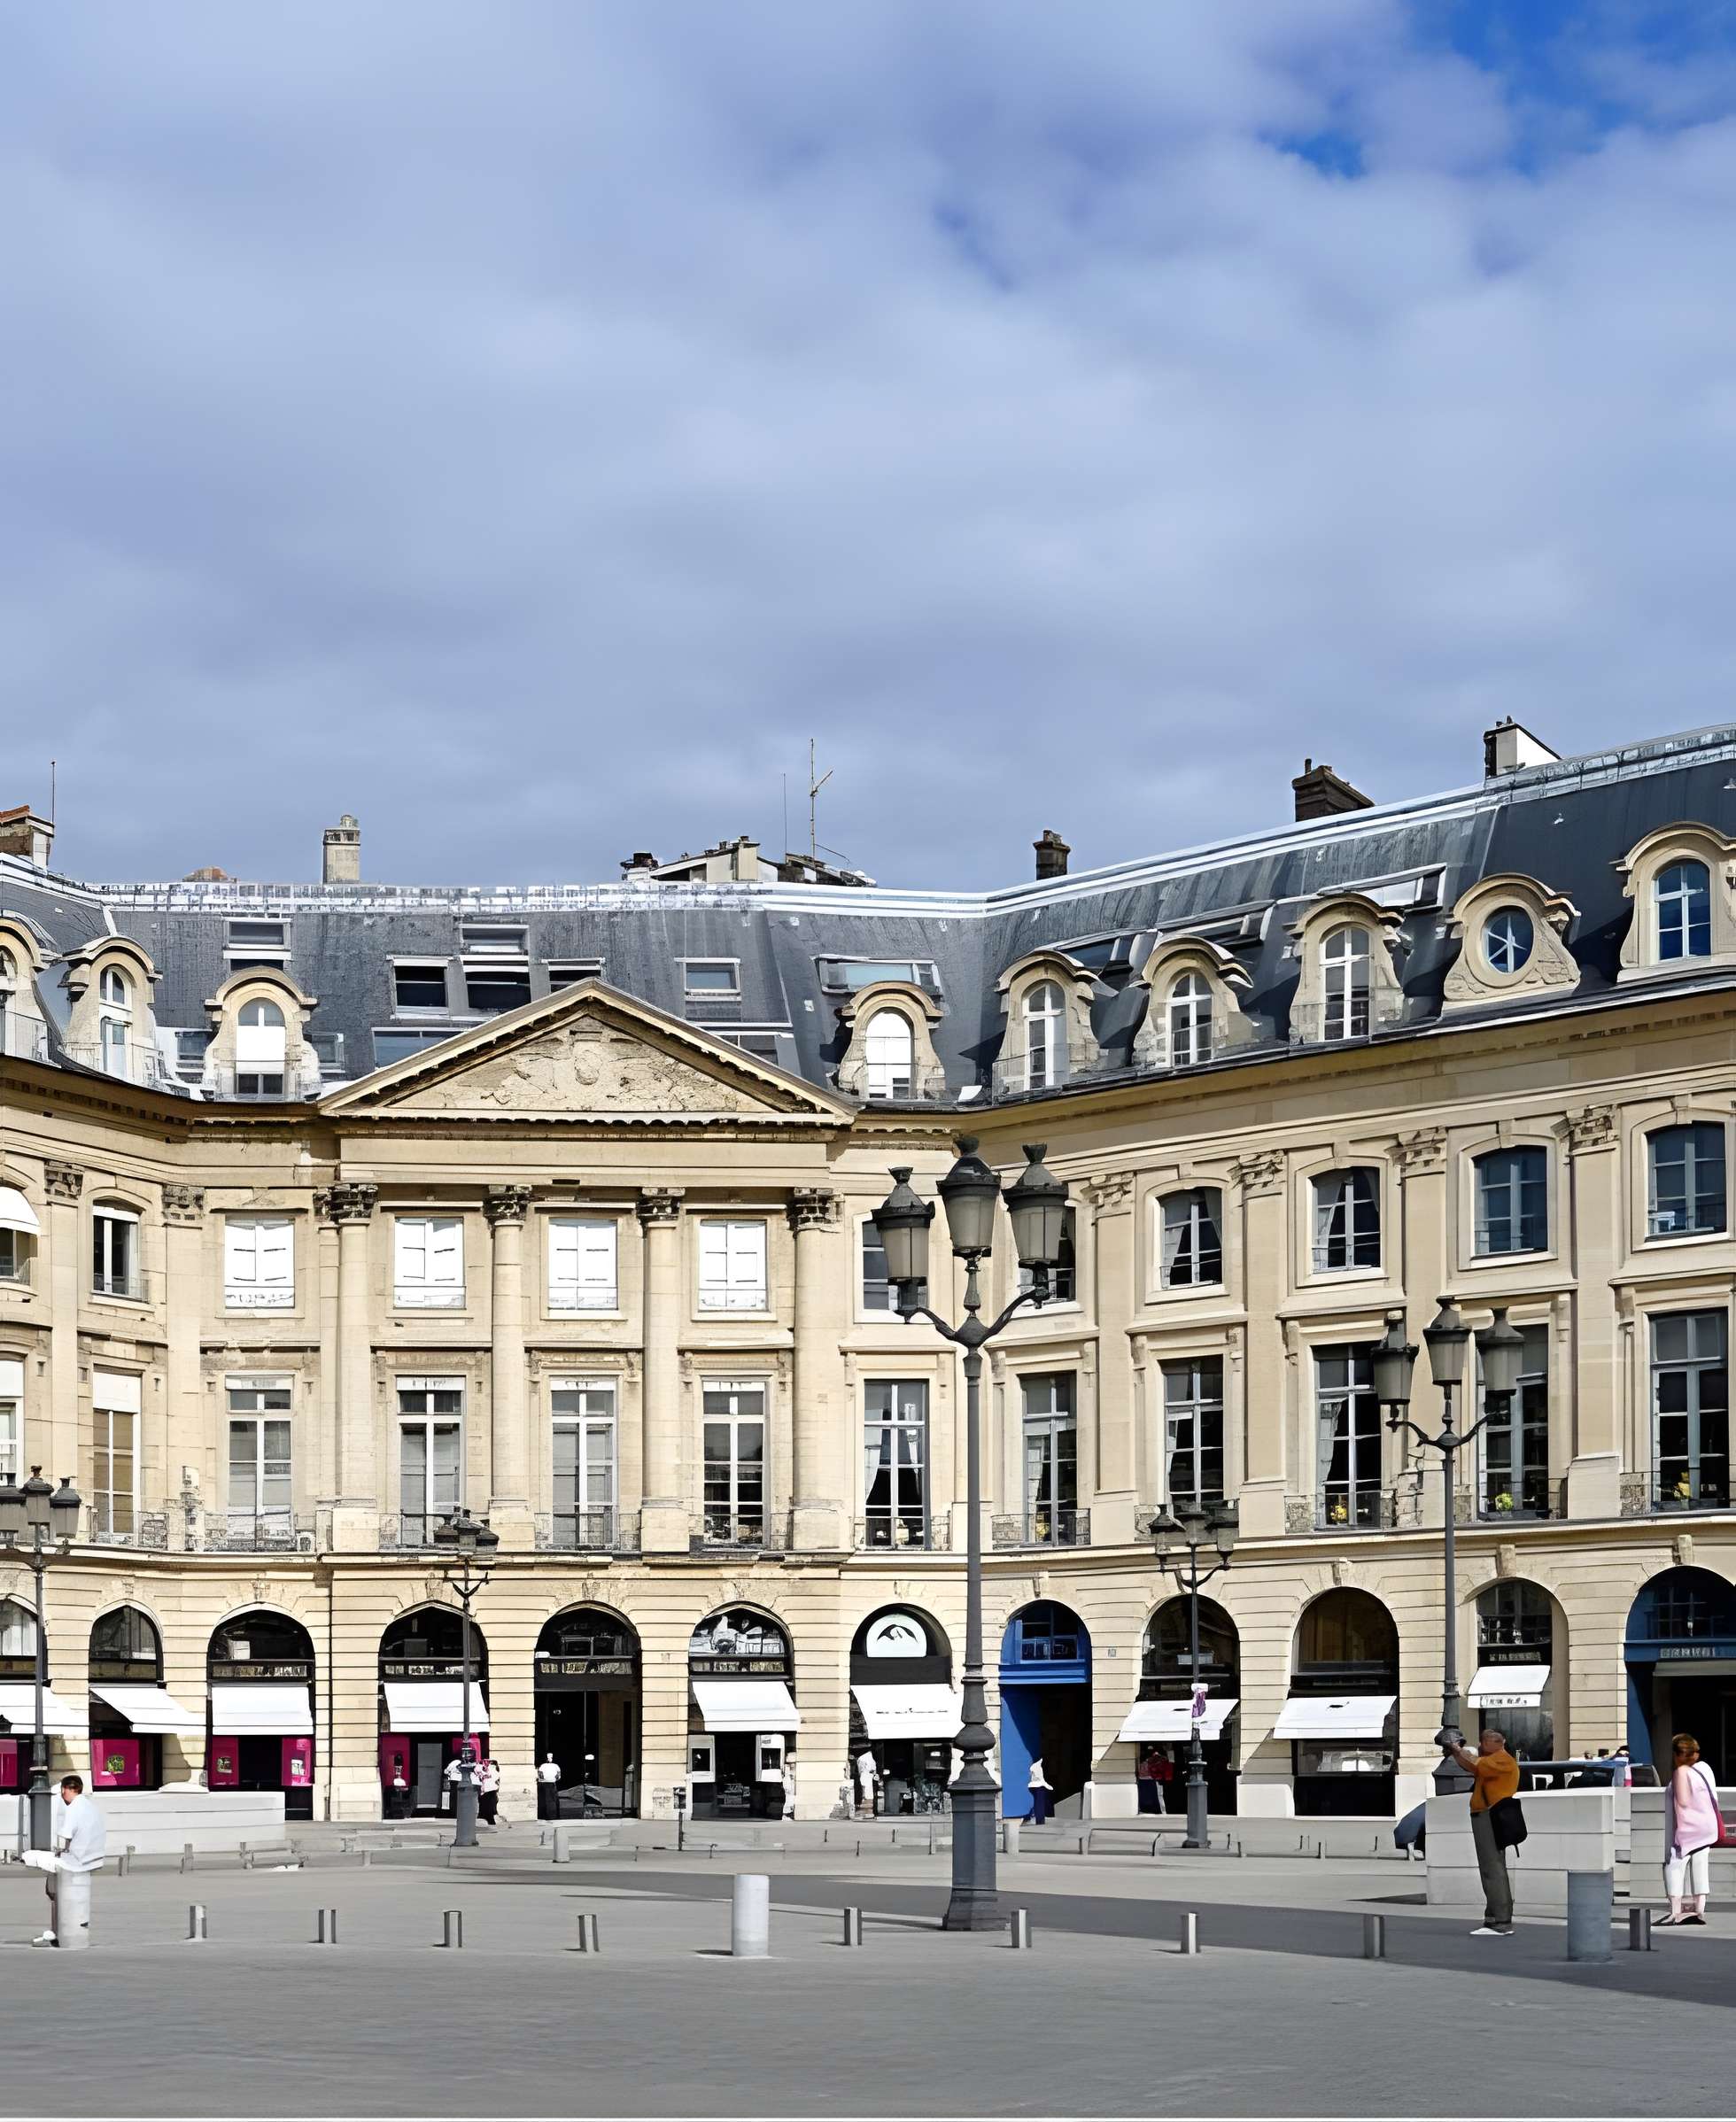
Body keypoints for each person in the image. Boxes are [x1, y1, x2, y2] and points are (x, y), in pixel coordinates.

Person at [1446, 1727, 1521, 1937]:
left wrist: (1455, 1746)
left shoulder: (1501, 1760)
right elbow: (1471, 1765)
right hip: (1488, 1815)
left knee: (1493, 1869)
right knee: (1491, 1868)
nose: (1479, 1746)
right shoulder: (1495, 1761)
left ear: (1494, 1743)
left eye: (1483, 1742)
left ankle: (1501, 1922)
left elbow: (1474, 1763)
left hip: (1490, 1816)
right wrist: (1456, 1752)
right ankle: (1493, 1919)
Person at [32, 1774, 106, 1948]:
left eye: (62, 1791)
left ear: (65, 1789)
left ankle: (56, 1930)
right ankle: (56, 1930)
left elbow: (65, 1835)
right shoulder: (90, 1806)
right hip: (92, 1857)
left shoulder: (73, 1807)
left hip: (76, 1860)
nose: (62, 1795)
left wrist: (61, 1852)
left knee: (48, 1877)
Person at [1661, 1731, 1721, 1926]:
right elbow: (1714, 1798)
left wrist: (1670, 1846)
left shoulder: (1678, 1778)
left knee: (1674, 1865)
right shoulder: (1705, 1769)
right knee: (1700, 1864)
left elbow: (1678, 1809)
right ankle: (1699, 1910)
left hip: (1688, 1832)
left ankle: (1675, 1911)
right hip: (1708, 1828)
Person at [1027, 1754, 1055, 1825]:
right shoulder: (1037, 1767)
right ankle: (1040, 1820)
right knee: (1039, 1804)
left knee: (1037, 1803)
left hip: (1034, 1786)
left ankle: (1038, 1819)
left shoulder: (1033, 1766)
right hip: (1039, 1786)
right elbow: (1039, 1778)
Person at [536, 1752, 562, 1821]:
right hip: (551, 1784)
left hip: (543, 1784)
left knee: (543, 1801)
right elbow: (558, 1776)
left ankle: (543, 1816)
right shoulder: (556, 1766)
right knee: (552, 1801)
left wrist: (543, 1779)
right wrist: (552, 1779)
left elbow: (540, 1775)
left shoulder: (542, 1766)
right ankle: (553, 1817)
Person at [855, 1747, 879, 1818]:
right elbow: (868, 1768)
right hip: (867, 1776)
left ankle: (864, 1805)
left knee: (865, 1790)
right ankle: (865, 1807)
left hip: (865, 1776)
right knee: (866, 1790)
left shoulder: (862, 1758)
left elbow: (860, 1769)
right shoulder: (866, 1758)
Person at [479, 1755, 500, 1826]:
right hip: (490, 1789)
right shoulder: (494, 1770)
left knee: (488, 1805)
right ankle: (489, 1818)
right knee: (490, 1805)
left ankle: (489, 1819)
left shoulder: (489, 1769)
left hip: (488, 1790)